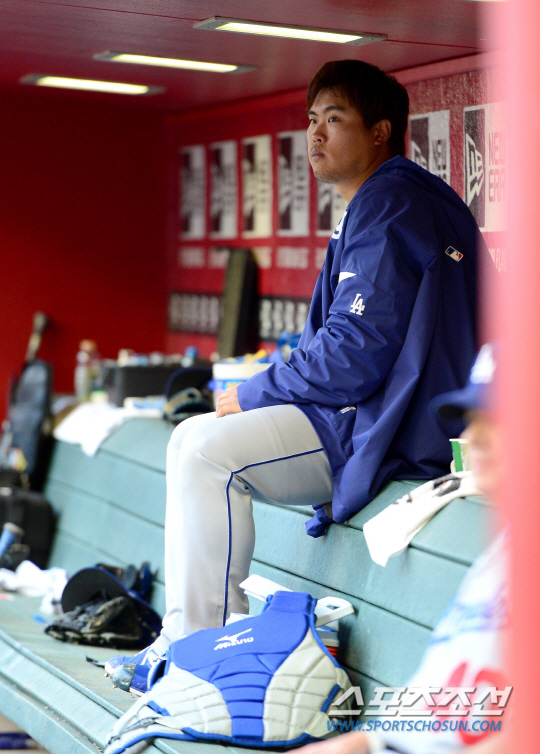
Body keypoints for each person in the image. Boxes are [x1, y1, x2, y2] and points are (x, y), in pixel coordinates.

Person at [106, 59, 483, 693]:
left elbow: (353, 358)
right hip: (381, 415)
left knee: (205, 449)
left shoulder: (391, 201)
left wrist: (255, 391)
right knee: (191, 437)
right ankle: (186, 640)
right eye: (311, 119)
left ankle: (204, 658)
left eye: (335, 119)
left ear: (381, 131)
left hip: (386, 428)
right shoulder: (391, 197)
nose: (315, 134)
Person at [296, 343, 508, 754]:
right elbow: (425, 714)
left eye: (500, 419)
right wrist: (364, 743)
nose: (471, 437)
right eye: (473, 419)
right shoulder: (504, 552)